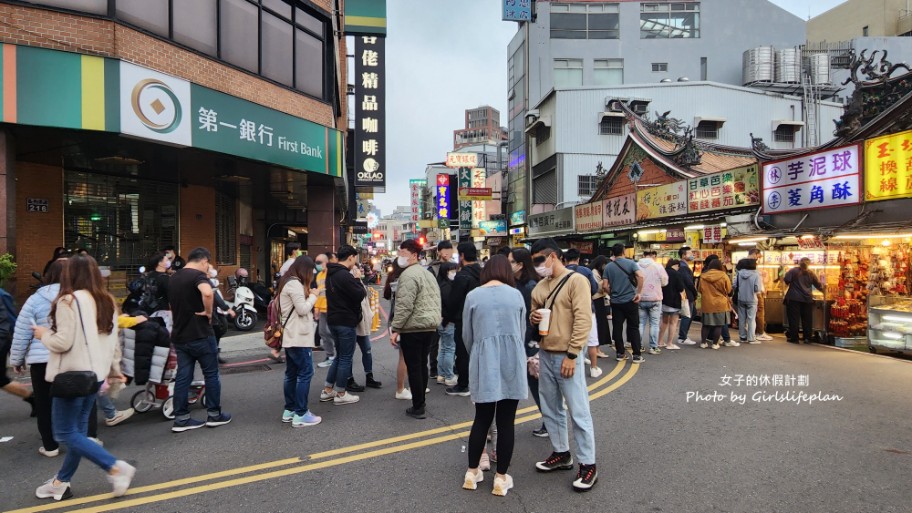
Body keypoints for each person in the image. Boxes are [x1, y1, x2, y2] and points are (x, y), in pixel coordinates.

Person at [32, 254, 135, 501]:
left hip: (71, 376)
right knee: (78, 433)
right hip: (95, 376)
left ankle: (115, 467)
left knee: (65, 433)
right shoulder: (107, 300)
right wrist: (114, 370)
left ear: (70, 274)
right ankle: (60, 482)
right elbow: (113, 341)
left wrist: (43, 334)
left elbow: (62, 341)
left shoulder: (68, 301)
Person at [529, 238, 599, 492]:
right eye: (533, 261)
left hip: (567, 354)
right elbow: (534, 313)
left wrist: (572, 355)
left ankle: (588, 464)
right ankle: (561, 453)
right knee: (550, 408)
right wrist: (533, 316)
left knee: (578, 411)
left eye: (540, 260)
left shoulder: (576, 281)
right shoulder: (540, 286)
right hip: (545, 353)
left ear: (553, 257)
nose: (537, 265)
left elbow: (583, 319)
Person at [461, 255, 527, 496]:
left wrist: (478, 353)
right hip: (511, 361)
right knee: (506, 421)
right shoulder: (516, 295)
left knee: (482, 418)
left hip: (483, 360)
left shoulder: (473, 296)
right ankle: (500, 478)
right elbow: (520, 332)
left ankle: (472, 471)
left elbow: (467, 335)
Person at [168, 247, 232, 432]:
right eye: (209, 264)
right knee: (211, 374)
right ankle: (214, 414)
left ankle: (181, 418)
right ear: (203, 261)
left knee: (183, 376)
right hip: (200, 334)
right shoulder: (198, 277)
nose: (209, 267)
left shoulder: (174, 278)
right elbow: (208, 293)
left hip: (180, 335)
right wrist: (209, 313)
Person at [11, 259, 65, 456]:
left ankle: (50, 445)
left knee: (44, 403)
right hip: (67, 356)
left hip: (41, 359)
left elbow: (22, 331)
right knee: (73, 398)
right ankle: (81, 437)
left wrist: (17, 360)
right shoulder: (75, 297)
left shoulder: (34, 299)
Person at [390, 239, 442, 419]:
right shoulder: (427, 273)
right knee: (421, 364)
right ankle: (421, 403)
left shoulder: (408, 275)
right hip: (429, 325)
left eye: (403, 253)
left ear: (414, 255)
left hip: (414, 327)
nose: (400, 257)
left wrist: (395, 328)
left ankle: (418, 406)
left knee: (414, 367)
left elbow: (404, 305)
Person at [276, 255, 322, 428]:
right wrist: (314, 295)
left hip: (291, 335)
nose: (311, 275)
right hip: (298, 336)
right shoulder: (294, 284)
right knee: (305, 373)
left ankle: (290, 410)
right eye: (311, 271)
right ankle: (301, 413)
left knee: (292, 373)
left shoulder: (287, 281)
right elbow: (302, 309)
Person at [319, 245, 366, 406]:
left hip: (333, 319)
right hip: (345, 320)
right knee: (346, 357)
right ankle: (341, 392)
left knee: (339, 356)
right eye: (355, 258)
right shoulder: (344, 275)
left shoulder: (331, 273)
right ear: (351, 257)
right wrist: (358, 279)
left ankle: (327, 390)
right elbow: (360, 294)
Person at [508, 248, 545, 437]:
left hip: (528, 342)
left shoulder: (530, 286)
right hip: (521, 339)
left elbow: (532, 317)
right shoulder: (517, 284)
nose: (509, 265)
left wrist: (531, 342)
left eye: (511, 261)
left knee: (536, 383)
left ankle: (549, 422)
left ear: (520, 264)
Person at [445, 242, 482, 397]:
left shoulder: (463, 275)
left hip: (463, 319)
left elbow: (454, 300)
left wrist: (446, 317)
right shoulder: (483, 272)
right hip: (480, 317)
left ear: (462, 256)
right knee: (478, 350)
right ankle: (478, 381)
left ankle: (463, 384)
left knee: (462, 352)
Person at [602, 243, 646, 363]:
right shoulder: (631, 263)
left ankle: (620, 353)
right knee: (633, 327)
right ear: (623, 251)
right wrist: (639, 293)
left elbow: (605, 285)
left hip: (616, 302)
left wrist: (611, 294)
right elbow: (641, 277)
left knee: (617, 327)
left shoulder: (608, 267)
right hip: (631, 300)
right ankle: (637, 355)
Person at [784, 257, 823, 344]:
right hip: (807, 299)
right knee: (807, 319)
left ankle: (794, 338)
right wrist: (824, 291)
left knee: (794, 319)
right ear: (809, 264)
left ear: (799, 263)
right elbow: (818, 285)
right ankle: (807, 338)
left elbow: (786, 280)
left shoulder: (793, 271)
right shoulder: (811, 273)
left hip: (794, 298)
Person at [637, 250, 668, 355]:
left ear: (643, 256)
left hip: (640, 297)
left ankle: (639, 346)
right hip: (655, 298)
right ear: (652, 257)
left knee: (640, 323)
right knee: (654, 324)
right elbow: (665, 281)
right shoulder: (658, 266)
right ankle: (653, 347)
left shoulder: (636, 265)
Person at [698, 258, 732, 350]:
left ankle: (703, 343)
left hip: (707, 303)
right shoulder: (723, 275)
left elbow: (700, 290)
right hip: (720, 303)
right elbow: (729, 289)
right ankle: (715, 344)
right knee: (718, 325)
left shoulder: (703, 276)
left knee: (706, 324)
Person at [739, 249, 773, 341]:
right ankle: (757, 334)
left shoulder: (742, 265)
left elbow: (735, 283)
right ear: (754, 254)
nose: (758, 258)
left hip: (742, 294)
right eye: (758, 256)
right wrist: (759, 290)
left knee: (744, 316)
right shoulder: (753, 267)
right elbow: (757, 286)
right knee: (756, 314)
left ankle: (743, 336)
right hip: (754, 294)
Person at [435, 261, 459, 386]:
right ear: (446, 272)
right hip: (448, 320)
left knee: (444, 348)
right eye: (452, 270)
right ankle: (449, 376)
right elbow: (450, 305)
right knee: (450, 348)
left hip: (440, 319)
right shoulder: (447, 287)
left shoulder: (438, 284)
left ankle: (441, 374)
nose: (454, 273)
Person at [314, 253, 337, 368]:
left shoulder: (333, 274)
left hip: (332, 308)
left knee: (331, 332)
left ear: (327, 262)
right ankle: (330, 356)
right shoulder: (319, 276)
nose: (318, 265)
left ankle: (337, 355)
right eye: (316, 262)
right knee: (322, 332)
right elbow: (319, 293)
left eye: (320, 262)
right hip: (322, 309)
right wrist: (316, 308)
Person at [735, 257, 762, 345]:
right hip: (752, 299)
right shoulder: (756, 274)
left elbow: (734, 285)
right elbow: (757, 288)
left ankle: (742, 337)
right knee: (751, 319)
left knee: (742, 318)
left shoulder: (739, 273)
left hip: (741, 298)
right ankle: (751, 338)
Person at [659, 259, 685, 350]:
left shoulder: (663, 272)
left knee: (664, 321)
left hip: (663, 300)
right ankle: (669, 343)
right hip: (674, 301)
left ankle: (660, 341)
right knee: (673, 322)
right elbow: (681, 287)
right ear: (676, 265)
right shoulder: (676, 274)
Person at [589, 255, 611, 359]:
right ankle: (596, 350)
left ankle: (598, 349)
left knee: (601, 325)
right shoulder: (594, 272)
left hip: (599, 300)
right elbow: (597, 288)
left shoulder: (597, 272)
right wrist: (605, 281)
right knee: (598, 325)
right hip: (596, 300)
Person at [676, 246, 699, 346]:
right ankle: (682, 337)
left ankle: (684, 335)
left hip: (687, 294)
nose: (692, 255)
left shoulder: (683, 266)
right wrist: (695, 292)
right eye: (689, 253)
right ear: (683, 255)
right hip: (687, 294)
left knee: (692, 313)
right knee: (687, 315)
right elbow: (689, 283)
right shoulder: (683, 267)